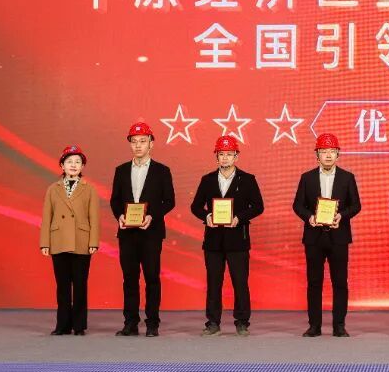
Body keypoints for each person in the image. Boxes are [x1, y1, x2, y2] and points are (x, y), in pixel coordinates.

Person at [190, 135, 264, 337]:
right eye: (221, 154)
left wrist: (239, 218)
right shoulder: (207, 180)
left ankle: (242, 322)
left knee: (240, 282)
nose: (225, 158)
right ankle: (213, 322)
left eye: (229, 154)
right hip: (213, 241)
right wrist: (207, 216)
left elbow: (258, 206)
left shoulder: (247, 180)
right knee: (214, 283)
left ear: (236, 156)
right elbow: (195, 207)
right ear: (216, 156)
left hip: (238, 239)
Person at [109, 122, 175, 337]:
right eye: (134, 142)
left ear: (151, 144)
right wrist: (119, 215)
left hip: (151, 233)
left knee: (152, 278)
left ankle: (152, 323)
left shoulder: (162, 171)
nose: (138, 145)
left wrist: (152, 215)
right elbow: (115, 200)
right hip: (127, 233)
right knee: (129, 278)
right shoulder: (121, 170)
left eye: (143, 141)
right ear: (130, 144)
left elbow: (169, 201)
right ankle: (130, 323)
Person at [292, 133, 361, 337]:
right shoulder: (307, 178)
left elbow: (356, 205)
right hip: (314, 237)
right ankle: (314, 325)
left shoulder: (347, 177)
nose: (328, 155)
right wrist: (309, 217)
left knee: (340, 282)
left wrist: (342, 215)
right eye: (324, 151)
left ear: (338, 154)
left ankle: (339, 325)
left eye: (332, 151)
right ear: (317, 155)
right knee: (314, 282)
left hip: (339, 237)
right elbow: (297, 205)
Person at [39, 145, 99, 336]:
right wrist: (45, 243)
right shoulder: (52, 189)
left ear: (82, 166)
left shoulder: (89, 189)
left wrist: (93, 242)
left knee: (80, 285)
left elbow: (94, 217)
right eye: (69, 161)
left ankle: (79, 325)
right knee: (62, 286)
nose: (73, 165)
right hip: (59, 241)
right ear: (62, 165)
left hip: (81, 241)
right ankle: (63, 325)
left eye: (78, 162)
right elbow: (46, 217)